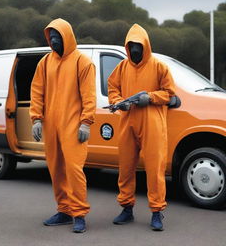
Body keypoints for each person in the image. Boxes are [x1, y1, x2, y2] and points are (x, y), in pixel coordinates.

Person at [29, 18, 96, 233]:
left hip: (74, 125)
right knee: (56, 169)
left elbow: (89, 96)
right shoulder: (45, 62)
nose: (55, 40)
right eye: (52, 37)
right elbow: (37, 92)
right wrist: (36, 119)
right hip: (51, 125)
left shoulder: (82, 62)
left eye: (58, 36)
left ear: (67, 37)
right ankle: (64, 210)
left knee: (74, 170)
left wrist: (86, 123)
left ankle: (79, 214)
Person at [108, 23, 175, 231]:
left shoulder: (158, 66)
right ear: (126, 46)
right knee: (126, 167)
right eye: (131, 45)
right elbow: (112, 87)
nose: (135, 49)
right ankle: (126, 208)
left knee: (155, 169)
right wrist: (119, 101)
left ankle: (156, 212)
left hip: (152, 123)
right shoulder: (121, 67)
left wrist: (151, 97)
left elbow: (170, 94)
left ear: (146, 45)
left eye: (138, 44)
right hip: (127, 122)